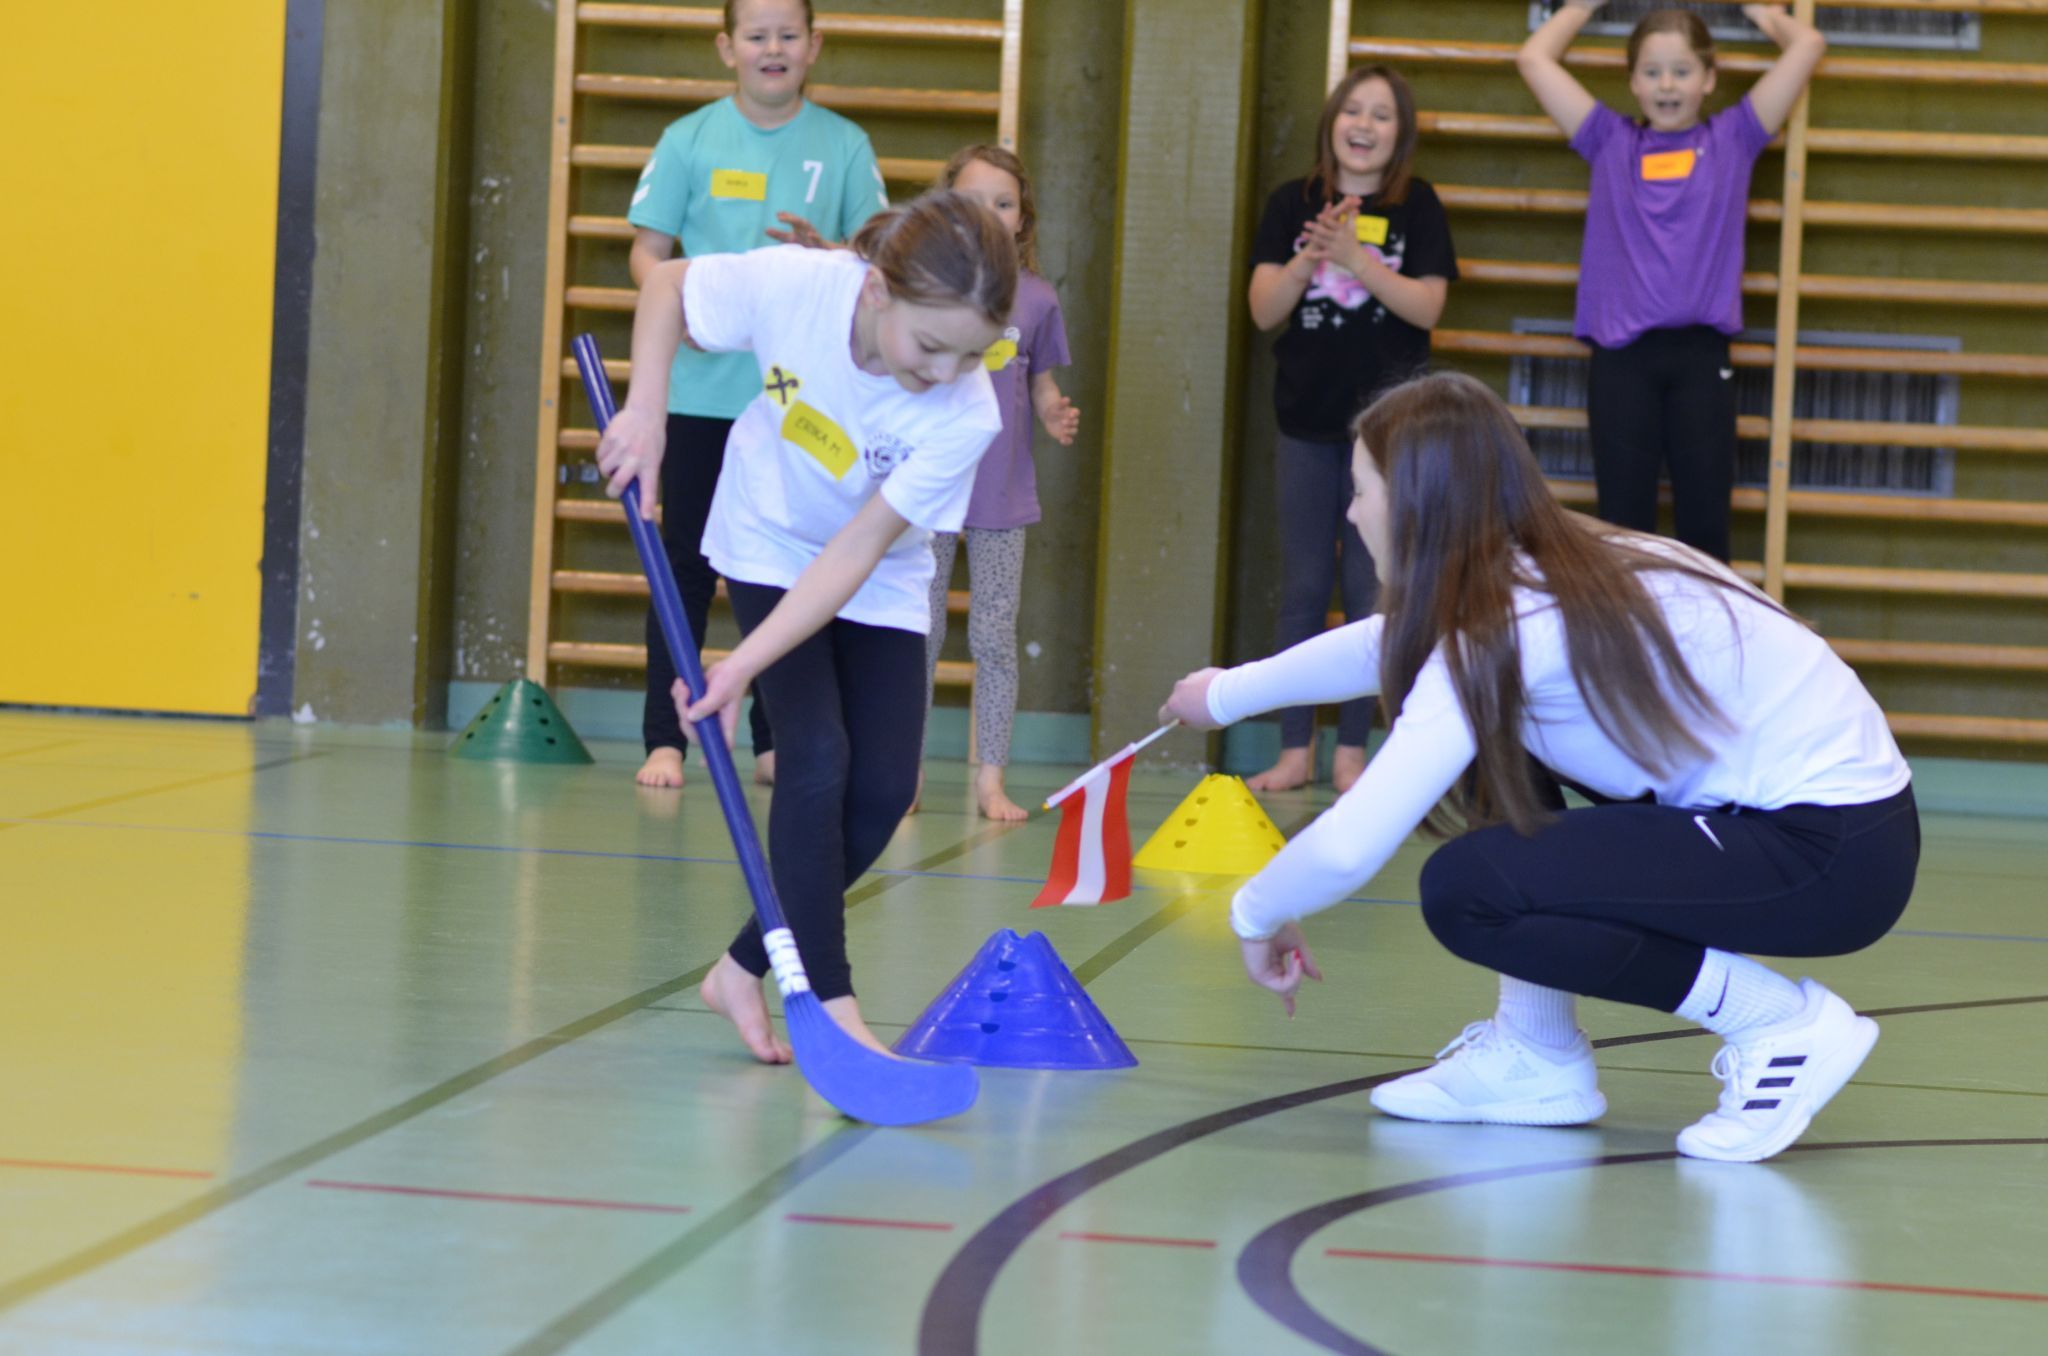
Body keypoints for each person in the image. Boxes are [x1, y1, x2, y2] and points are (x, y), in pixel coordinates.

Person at [1160, 372, 1916, 1164]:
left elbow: (1352, 845)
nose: (1351, 512)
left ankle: (1776, 1023)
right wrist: (1225, 695)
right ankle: (1536, 1055)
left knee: (1468, 894)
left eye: (1360, 490)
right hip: (1820, 827)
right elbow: (1389, 643)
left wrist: (1253, 914)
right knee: (1499, 752)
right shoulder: (1536, 565)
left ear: (1415, 501)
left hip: (1827, 855)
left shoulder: (1504, 622)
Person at [597, 192, 1015, 1062]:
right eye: (930, 346)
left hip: (875, 574)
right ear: (873, 293)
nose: (945, 374)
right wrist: (646, 407)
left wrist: (738, 666)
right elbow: (668, 283)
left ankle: (741, 967)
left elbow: (858, 552)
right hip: (765, 534)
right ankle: (827, 1002)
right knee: (816, 758)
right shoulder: (800, 286)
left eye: (971, 355)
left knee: (880, 793)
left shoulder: (967, 412)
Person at [624, 0, 892, 790]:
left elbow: (879, 257)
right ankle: (665, 738)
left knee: (789, 561)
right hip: (705, 392)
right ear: (726, 48)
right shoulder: (689, 140)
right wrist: (688, 321)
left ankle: (776, 737)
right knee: (683, 568)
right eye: (756, 35)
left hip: (798, 400)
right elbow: (649, 257)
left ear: (813, 46)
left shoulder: (846, 147)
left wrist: (833, 256)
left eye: (788, 34)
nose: (772, 48)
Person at [1518, 2, 1827, 562]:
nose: (1667, 84)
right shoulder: (1608, 141)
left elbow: (1806, 47)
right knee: (1622, 527)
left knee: (1705, 528)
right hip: (1621, 361)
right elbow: (1535, 58)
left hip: (1700, 360)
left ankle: (1702, 650)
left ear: (1709, 79)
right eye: (1653, 71)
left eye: (1682, 71)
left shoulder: (1734, 137)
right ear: (1632, 80)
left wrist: (1759, 12)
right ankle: (1626, 648)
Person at [1245, 64, 1458, 794]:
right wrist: (1313, 253)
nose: (1364, 126)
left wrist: (1356, 259)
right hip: (1305, 422)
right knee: (1304, 585)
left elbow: (1426, 308)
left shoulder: (1419, 208)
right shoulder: (1291, 203)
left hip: (1388, 436)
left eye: (1382, 115)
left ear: (1400, 135)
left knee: (1374, 585)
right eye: (1353, 111)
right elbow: (1265, 310)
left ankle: (1352, 751)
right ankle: (1295, 749)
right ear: (1332, 121)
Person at [919, 145, 1079, 821]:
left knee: (993, 637)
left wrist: (1053, 410)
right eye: (972, 201)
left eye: (1004, 203)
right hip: (926, 495)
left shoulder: (1037, 300)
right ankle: (906, 772)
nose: (989, 215)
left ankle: (990, 778)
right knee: (914, 635)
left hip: (1000, 499)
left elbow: (1040, 382)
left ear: (1022, 220)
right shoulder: (923, 288)